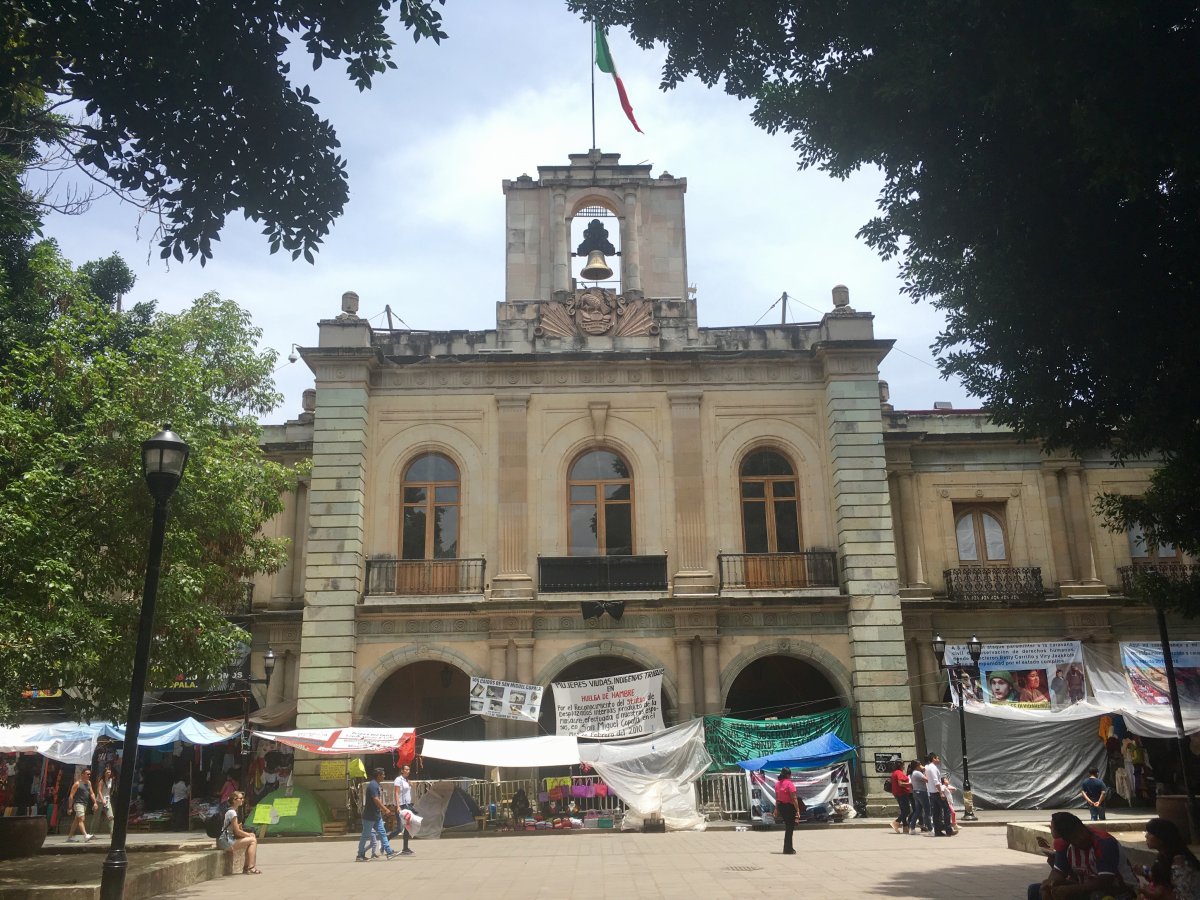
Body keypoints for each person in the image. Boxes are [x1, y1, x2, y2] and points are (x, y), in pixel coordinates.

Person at [1027, 811, 1131, 900]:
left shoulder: (1104, 843)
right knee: (1035, 890)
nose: (1080, 838)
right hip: (1085, 887)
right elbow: (1058, 871)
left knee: (1097, 896)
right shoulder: (1064, 844)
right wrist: (1050, 884)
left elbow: (1105, 881)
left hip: (1120, 890)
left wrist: (1070, 890)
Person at [1137, 817, 1200, 900]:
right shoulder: (1163, 857)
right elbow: (1164, 878)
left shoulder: (1180, 863)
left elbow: (1184, 896)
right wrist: (1145, 873)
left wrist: (1148, 893)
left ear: (1161, 838)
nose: (1146, 836)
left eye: (1150, 833)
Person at [357, 768, 397, 862]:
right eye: (383, 775)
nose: (384, 776)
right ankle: (360, 855)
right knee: (365, 835)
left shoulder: (376, 785)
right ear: (378, 775)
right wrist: (385, 809)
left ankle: (389, 851)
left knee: (382, 833)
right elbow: (376, 799)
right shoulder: (373, 785)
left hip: (376, 815)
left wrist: (381, 810)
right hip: (369, 816)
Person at [217, 791, 262, 874]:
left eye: (242, 798)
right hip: (226, 841)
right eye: (240, 798)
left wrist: (246, 833)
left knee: (251, 837)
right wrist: (248, 835)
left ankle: (247, 866)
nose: (242, 800)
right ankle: (251, 867)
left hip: (225, 839)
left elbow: (236, 829)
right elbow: (237, 832)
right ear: (234, 800)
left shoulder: (230, 811)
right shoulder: (232, 813)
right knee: (252, 840)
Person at [774, 767, 801, 855]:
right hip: (789, 807)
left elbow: (777, 798)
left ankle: (788, 847)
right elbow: (794, 798)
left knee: (788, 827)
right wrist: (797, 810)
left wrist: (776, 809)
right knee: (789, 828)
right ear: (788, 775)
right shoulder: (790, 784)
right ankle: (788, 849)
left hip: (781, 807)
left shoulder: (777, 784)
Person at [389, 763, 415, 855]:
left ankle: (405, 848)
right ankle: (386, 841)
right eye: (406, 769)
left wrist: (410, 783)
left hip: (407, 805)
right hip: (401, 805)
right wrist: (398, 805)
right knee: (399, 828)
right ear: (402, 770)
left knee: (407, 827)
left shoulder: (406, 780)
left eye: (409, 770)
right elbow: (396, 792)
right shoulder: (398, 780)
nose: (408, 771)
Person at [65, 768, 96, 842]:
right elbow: (71, 796)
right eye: (87, 774)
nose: (89, 775)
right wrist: (69, 807)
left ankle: (69, 837)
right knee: (81, 819)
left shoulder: (89, 783)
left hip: (84, 804)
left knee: (76, 821)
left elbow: (91, 793)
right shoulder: (77, 784)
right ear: (82, 775)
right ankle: (85, 835)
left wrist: (95, 802)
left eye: (89, 774)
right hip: (78, 804)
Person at [924, 753, 952, 837]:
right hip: (936, 792)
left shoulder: (928, 768)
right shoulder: (933, 768)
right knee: (947, 810)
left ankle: (937, 831)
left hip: (932, 792)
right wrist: (941, 793)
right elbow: (936, 781)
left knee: (936, 812)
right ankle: (948, 830)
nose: (939, 760)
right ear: (933, 759)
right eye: (937, 758)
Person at [888, 760, 912, 834]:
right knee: (907, 810)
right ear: (900, 765)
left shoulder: (894, 773)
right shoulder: (899, 772)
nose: (904, 766)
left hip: (897, 794)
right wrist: (910, 784)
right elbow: (900, 783)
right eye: (903, 765)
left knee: (903, 810)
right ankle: (896, 822)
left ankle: (905, 827)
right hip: (902, 793)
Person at [908, 760, 931, 834]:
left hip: (916, 792)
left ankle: (912, 828)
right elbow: (927, 780)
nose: (921, 765)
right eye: (920, 764)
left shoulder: (913, 773)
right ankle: (930, 829)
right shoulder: (917, 773)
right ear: (917, 766)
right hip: (921, 792)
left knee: (918, 811)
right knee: (927, 811)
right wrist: (925, 771)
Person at [91, 765, 114, 835]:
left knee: (111, 817)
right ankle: (92, 833)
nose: (108, 774)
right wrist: (102, 799)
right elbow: (99, 791)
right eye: (107, 772)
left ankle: (112, 833)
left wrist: (108, 798)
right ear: (104, 773)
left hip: (107, 800)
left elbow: (109, 790)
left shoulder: (111, 780)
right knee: (96, 818)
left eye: (109, 772)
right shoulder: (101, 781)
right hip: (100, 801)